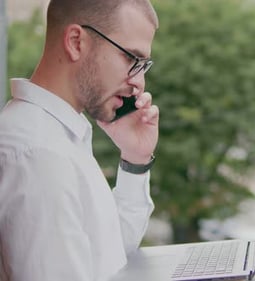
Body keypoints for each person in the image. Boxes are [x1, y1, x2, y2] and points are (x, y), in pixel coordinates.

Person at [0, 0, 160, 280]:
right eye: (131, 59)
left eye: (143, 65)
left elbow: (108, 255)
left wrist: (136, 159)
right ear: (76, 42)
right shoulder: (38, 154)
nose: (139, 83)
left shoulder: (58, 136)